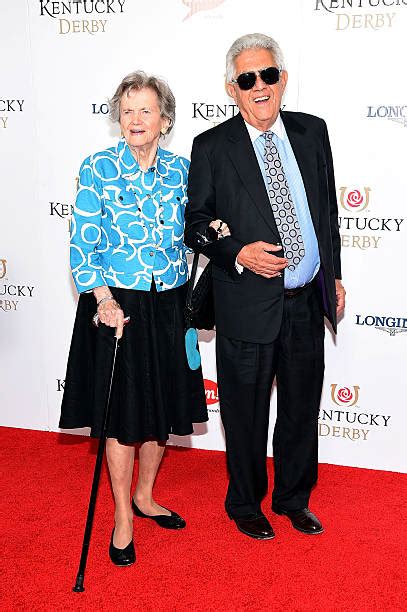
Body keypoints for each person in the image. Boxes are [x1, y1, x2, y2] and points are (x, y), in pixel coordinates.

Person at [185, 33, 346, 540]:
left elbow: (327, 213)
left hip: (304, 302)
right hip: (246, 304)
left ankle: (294, 499)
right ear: (232, 89)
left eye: (268, 75)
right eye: (247, 79)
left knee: (301, 408)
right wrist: (238, 254)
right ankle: (245, 504)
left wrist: (335, 273)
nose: (260, 87)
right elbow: (195, 222)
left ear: (283, 79)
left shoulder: (312, 132)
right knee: (245, 413)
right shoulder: (212, 146)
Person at [60, 71, 212, 566]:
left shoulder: (182, 171)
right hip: (117, 306)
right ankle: (123, 515)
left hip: (169, 304)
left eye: (146, 110)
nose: (136, 119)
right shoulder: (97, 168)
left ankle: (146, 496)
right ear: (117, 118)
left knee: (161, 414)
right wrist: (102, 299)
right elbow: (82, 247)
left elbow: (196, 230)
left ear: (165, 119)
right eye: (128, 110)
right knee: (123, 420)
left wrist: (215, 227)